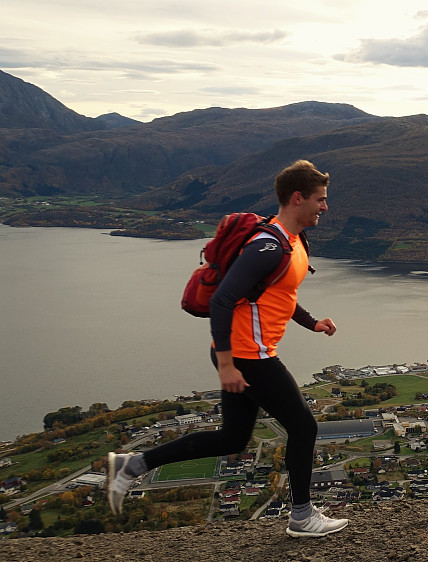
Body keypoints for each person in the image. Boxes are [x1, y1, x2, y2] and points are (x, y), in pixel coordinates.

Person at [107, 160, 347, 538]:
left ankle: (133, 464)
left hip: (245, 354)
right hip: (247, 357)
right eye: (321, 199)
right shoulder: (267, 246)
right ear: (297, 198)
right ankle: (302, 516)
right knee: (304, 427)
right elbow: (221, 301)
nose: (325, 207)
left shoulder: (293, 241)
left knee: (233, 439)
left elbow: (278, 294)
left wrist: (311, 322)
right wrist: (226, 365)